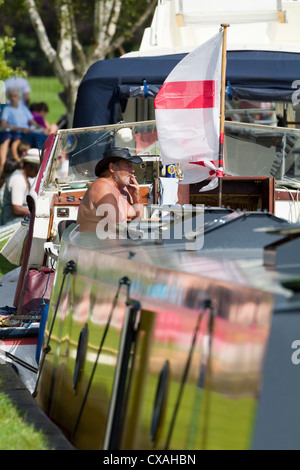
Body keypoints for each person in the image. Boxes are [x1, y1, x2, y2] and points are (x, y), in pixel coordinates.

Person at [77, 147, 143, 236]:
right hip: (93, 246)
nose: (132, 170)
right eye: (128, 166)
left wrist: (135, 195)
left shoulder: (122, 189)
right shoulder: (101, 186)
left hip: (112, 244)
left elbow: (138, 219)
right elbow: (115, 226)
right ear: (112, 168)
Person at [0, 88, 45, 173]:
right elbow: (3, 125)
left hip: (27, 132)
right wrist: (21, 129)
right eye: (12, 96)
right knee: (37, 137)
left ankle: (43, 160)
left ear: (19, 98)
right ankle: (41, 161)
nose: (13, 98)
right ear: (9, 98)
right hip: (17, 133)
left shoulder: (24, 108)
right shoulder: (7, 109)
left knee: (42, 136)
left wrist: (43, 129)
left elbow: (33, 122)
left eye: (15, 96)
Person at [0, 148, 40, 226]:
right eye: (37, 169)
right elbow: (17, 209)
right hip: (12, 223)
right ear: (31, 167)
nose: (37, 173)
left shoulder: (25, 178)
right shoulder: (18, 179)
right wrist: (37, 211)